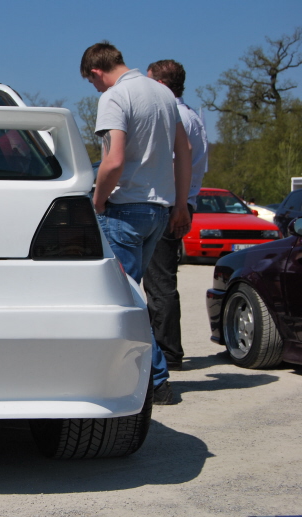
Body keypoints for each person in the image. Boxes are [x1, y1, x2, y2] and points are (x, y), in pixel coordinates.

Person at [80, 42, 192, 405]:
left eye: (92, 82)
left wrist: (97, 201)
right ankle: (148, 377)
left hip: (125, 209)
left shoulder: (115, 97)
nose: (95, 89)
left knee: (124, 299)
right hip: (159, 210)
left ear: (96, 72)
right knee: (135, 295)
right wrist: (180, 204)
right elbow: (184, 152)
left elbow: (113, 161)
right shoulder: (163, 93)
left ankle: (157, 382)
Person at [143, 60, 209, 372]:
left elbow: (173, 165)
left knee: (159, 281)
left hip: (170, 204)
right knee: (160, 279)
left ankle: (168, 353)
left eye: (149, 82)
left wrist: (179, 205)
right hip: (179, 202)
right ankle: (165, 349)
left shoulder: (175, 116)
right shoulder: (190, 115)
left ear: (160, 85)